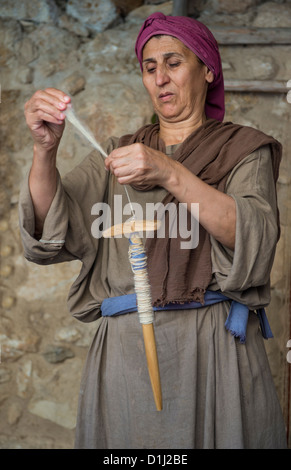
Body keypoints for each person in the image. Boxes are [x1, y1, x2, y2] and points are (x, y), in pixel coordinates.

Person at [20, 12, 287, 449]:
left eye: (173, 63)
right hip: (125, 357)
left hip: (213, 348)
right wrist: (44, 151)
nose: (160, 77)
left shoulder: (243, 150)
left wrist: (168, 170)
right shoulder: (117, 156)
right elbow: (49, 232)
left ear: (207, 69)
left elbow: (250, 237)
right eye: (149, 67)